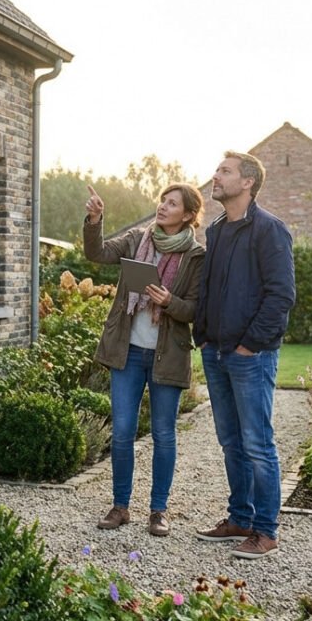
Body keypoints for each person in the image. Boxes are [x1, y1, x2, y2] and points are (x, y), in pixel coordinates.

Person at [83, 182, 206, 536]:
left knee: (164, 434)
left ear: (187, 215)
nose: (163, 206)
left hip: (168, 355)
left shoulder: (196, 257)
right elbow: (98, 253)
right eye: (162, 200)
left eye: (172, 203)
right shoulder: (138, 239)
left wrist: (170, 302)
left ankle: (158, 511)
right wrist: (95, 219)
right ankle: (120, 507)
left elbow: (196, 309)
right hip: (128, 351)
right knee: (122, 433)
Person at [192, 151, 296, 559]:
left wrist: (249, 345)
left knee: (257, 443)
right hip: (215, 352)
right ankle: (239, 518)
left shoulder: (270, 230)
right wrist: (203, 335)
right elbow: (208, 288)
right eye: (218, 170)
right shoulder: (216, 230)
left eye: (225, 171)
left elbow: (281, 295)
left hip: (250, 356)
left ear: (248, 182)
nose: (215, 177)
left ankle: (266, 531)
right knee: (230, 442)